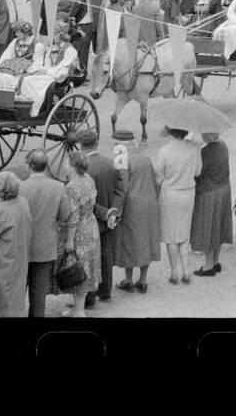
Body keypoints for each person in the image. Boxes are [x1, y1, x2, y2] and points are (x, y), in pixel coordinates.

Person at [19, 149, 72, 318]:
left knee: (18, 291)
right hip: (45, 246)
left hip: (21, 246)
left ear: (29, 165)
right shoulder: (58, 187)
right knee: (39, 294)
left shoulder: (20, 187)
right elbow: (65, 215)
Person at [153, 127, 201, 286]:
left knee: (170, 235)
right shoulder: (194, 148)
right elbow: (198, 171)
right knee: (184, 232)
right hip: (188, 191)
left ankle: (174, 271)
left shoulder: (164, 151)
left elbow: (158, 176)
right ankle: (186, 270)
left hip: (170, 193)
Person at [79, 130, 123, 305]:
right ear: (96, 143)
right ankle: (105, 291)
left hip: (92, 219)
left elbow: (87, 200)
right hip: (108, 219)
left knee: (89, 258)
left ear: (81, 146)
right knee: (105, 255)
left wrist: (105, 212)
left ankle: (89, 296)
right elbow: (120, 189)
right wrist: (113, 212)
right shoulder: (109, 163)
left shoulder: (84, 169)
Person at [114, 134, 160, 293]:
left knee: (129, 242)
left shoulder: (123, 161)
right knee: (146, 240)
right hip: (149, 202)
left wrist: (117, 209)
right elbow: (156, 182)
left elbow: (123, 188)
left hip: (132, 205)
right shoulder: (146, 158)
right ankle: (143, 279)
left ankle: (128, 280)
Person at [59, 150, 101, 318]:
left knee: (78, 267)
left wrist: (69, 240)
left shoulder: (71, 186)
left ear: (73, 166)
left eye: (67, 163)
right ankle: (78, 306)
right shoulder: (89, 179)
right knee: (86, 267)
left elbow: (73, 216)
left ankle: (78, 310)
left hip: (80, 230)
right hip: (91, 225)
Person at [0, 172, 32, 317]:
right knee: (17, 295)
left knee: (1, 296)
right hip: (20, 254)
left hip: (3, 259)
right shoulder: (23, 202)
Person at [191, 133, 232, 277]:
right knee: (219, 226)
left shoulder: (206, 152)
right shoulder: (223, 145)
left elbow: (198, 173)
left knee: (208, 227)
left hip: (209, 191)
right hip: (224, 188)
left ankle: (208, 265)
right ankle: (215, 261)